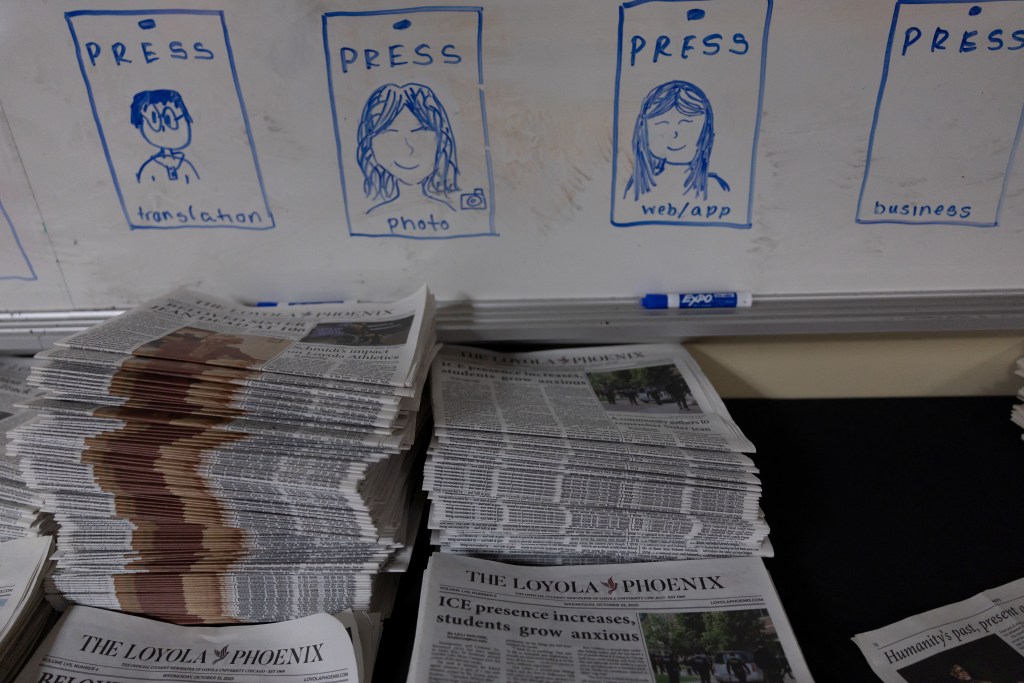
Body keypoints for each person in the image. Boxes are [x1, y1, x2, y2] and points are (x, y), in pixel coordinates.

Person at [356, 82, 460, 213]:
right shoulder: (370, 218)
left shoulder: (452, 212)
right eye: (391, 136)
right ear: (370, 143)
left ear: (441, 139)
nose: (408, 148)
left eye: (419, 133)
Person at [623, 80, 729, 202]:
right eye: (662, 124)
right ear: (643, 130)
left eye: (685, 124)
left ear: (705, 130)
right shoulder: (635, 187)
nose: (674, 134)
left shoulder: (716, 187)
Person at [132, 89, 199, 184]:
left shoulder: (186, 166)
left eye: (168, 119)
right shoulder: (150, 169)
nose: (163, 127)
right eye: (154, 119)